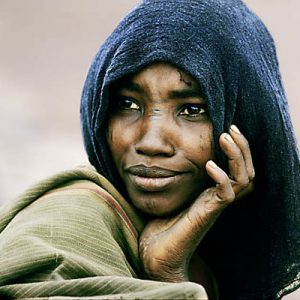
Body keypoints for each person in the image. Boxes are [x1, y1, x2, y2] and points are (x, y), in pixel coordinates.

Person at [0, 0, 299, 299]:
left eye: (192, 109)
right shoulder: (61, 232)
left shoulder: (231, 241)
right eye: (127, 104)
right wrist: (167, 279)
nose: (151, 142)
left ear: (246, 120)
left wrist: (167, 272)